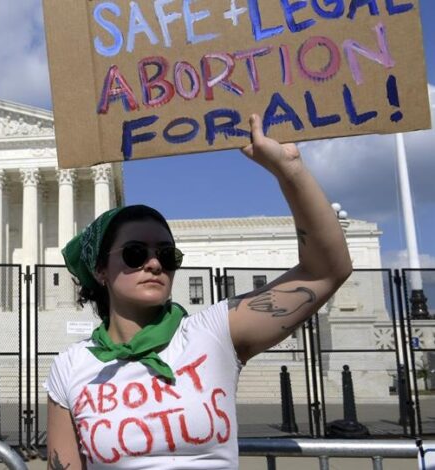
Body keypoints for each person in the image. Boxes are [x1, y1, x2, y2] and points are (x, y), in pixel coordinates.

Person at [45, 115, 353, 469]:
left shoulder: (212, 334)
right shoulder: (71, 367)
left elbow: (326, 272)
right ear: (101, 269)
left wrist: (290, 169)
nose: (154, 264)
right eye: (135, 253)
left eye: (167, 255)